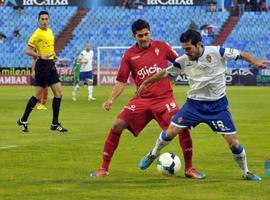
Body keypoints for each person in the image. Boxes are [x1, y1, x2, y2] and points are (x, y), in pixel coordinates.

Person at [138, 29, 269, 181]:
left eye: (189, 48)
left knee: (234, 143)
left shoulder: (217, 51)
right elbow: (165, 72)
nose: (186, 52)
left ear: (199, 44)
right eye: (184, 49)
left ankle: (246, 172)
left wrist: (255, 62)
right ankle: (153, 154)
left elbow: (241, 54)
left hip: (217, 107)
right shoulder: (183, 60)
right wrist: (146, 82)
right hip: (194, 105)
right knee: (170, 132)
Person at [90, 19, 204, 179]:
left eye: (146, 34)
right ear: (134, 36)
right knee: (117, 125)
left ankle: (189, 168)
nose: (143, 38)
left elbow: (181, 63)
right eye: (140, 36)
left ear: (150, 32)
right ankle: (104, 168)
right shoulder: (129, 55)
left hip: (164, 99)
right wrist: (111, 99)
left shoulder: (163, 47)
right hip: (141, 100)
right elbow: (122, 80)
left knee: (182, 125)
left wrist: (175, 78)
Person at [17, 10, 67, 133]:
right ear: (38, 20)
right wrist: (39, 55)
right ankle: (23, 119)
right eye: (42, 19)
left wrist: (53, 55)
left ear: (49, 20)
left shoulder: (50, 31)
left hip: (51, 64)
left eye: (46, 19)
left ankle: (55, 123)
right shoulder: (37, 34)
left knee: (59, 93)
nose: (44, 21)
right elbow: (27, 50)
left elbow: (49, 48)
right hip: (42, 66)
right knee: (37, 96)